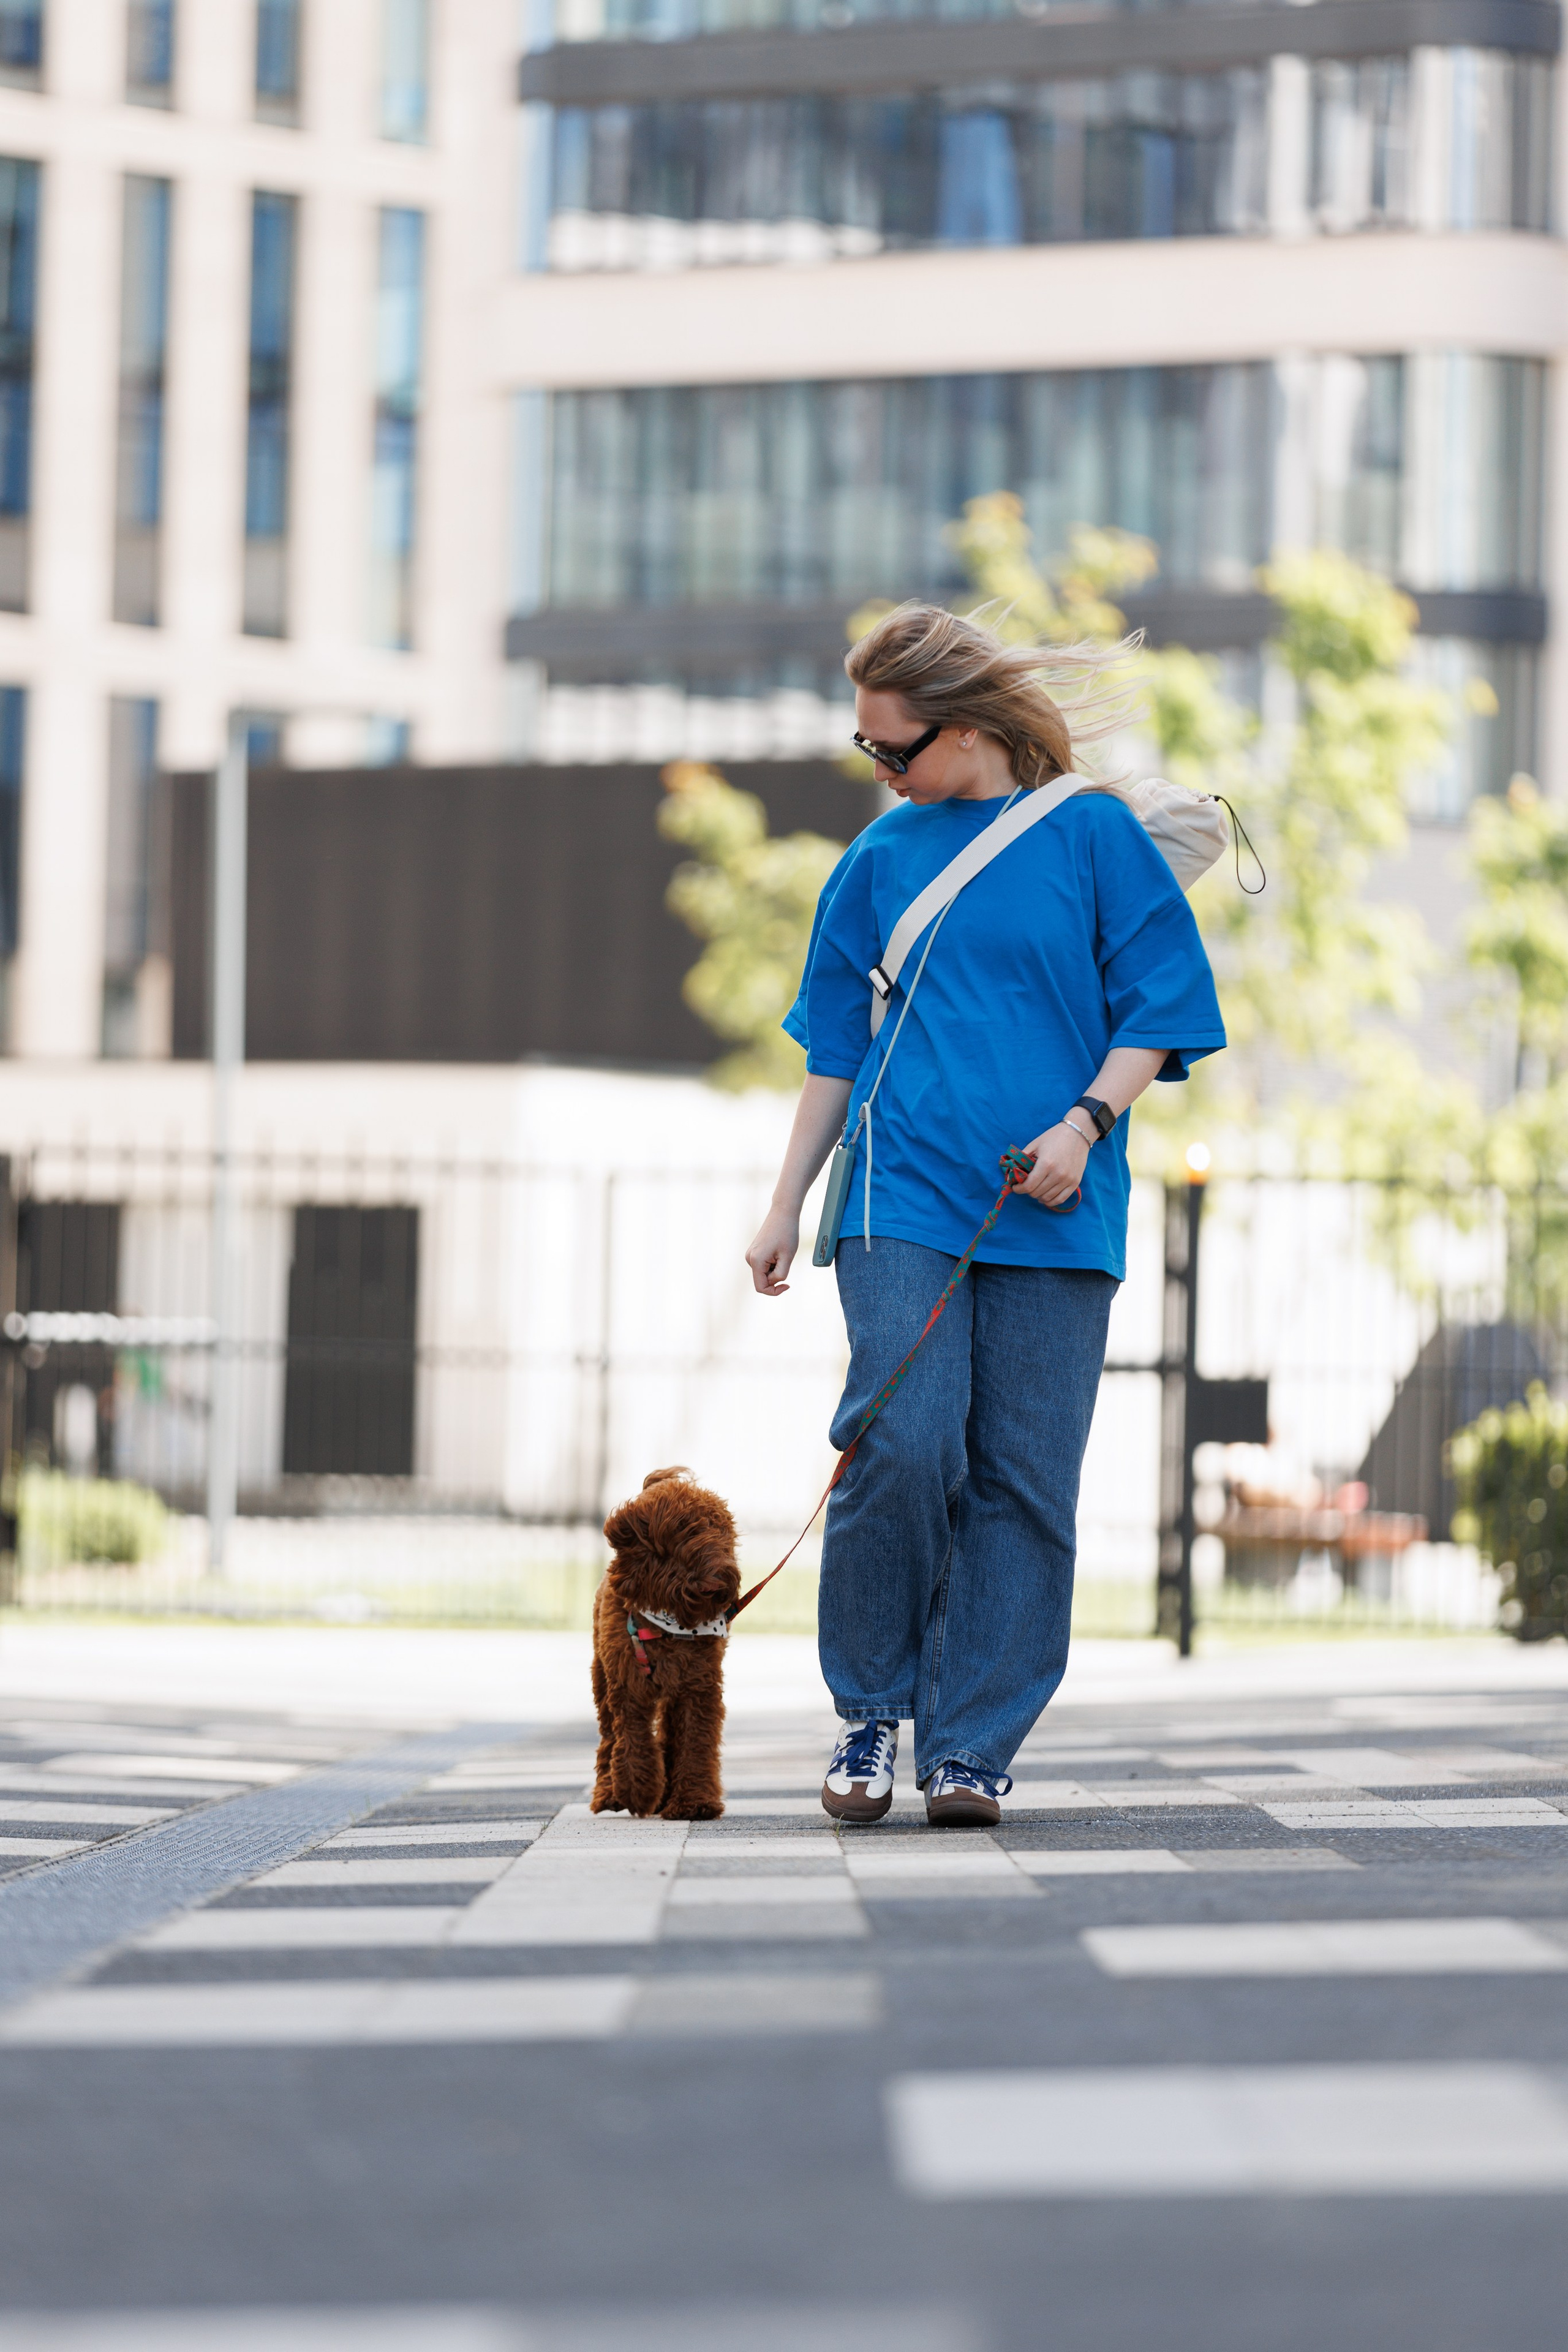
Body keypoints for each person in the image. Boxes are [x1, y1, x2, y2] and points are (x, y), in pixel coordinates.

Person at [744, 602, 1226, 1828]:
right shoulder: (876, 859)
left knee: (1023, 1480)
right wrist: (783, 1202)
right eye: (865, 746)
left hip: (1058, 1201)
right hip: (899, 1194)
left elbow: (1161, 1007)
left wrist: (1085, 1124)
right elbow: (833, 1050)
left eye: (891, 747)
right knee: (902, 1441)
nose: (878, 768)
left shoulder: (1092, 835)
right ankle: (869, 1710)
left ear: (964, 730)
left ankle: (969, 1747)